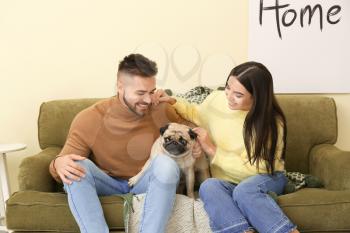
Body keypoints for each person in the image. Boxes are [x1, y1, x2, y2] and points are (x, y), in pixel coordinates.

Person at [48, 54, 200, 233]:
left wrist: (196, 136)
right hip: (108, 183)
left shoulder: (161, 109)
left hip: (147, 180)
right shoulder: (90, 118)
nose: (148, 100)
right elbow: (63, 163)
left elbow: (193, 128)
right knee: (75, 165)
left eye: (151, 91)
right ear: (120, 87)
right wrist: (57, 163)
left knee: (166, 164)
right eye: (140, 93)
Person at [155, 61, 300, 233]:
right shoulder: (217, 100)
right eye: (227, 87)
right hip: (228, 181)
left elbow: (258, 169)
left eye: (238, 94)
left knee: (244, 191)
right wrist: (172, 101)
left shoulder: (271, 123)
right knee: (208, 186)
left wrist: (212, 151)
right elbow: (195, 113)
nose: (229, 96)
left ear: (257, 97)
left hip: (266, 176)